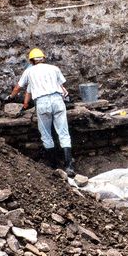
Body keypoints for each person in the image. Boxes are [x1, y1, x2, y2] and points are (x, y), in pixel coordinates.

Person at [10, 48, 76, 177]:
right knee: (63, 133)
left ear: (31, 60)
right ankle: (69, 167)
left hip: (42, 102)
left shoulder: (29, 71)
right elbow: (62, 87)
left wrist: (10, 97)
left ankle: (54, 166)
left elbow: (19, 87)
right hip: (57, 100)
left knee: (46, 134)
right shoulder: (54, 68)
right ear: (43, 58)